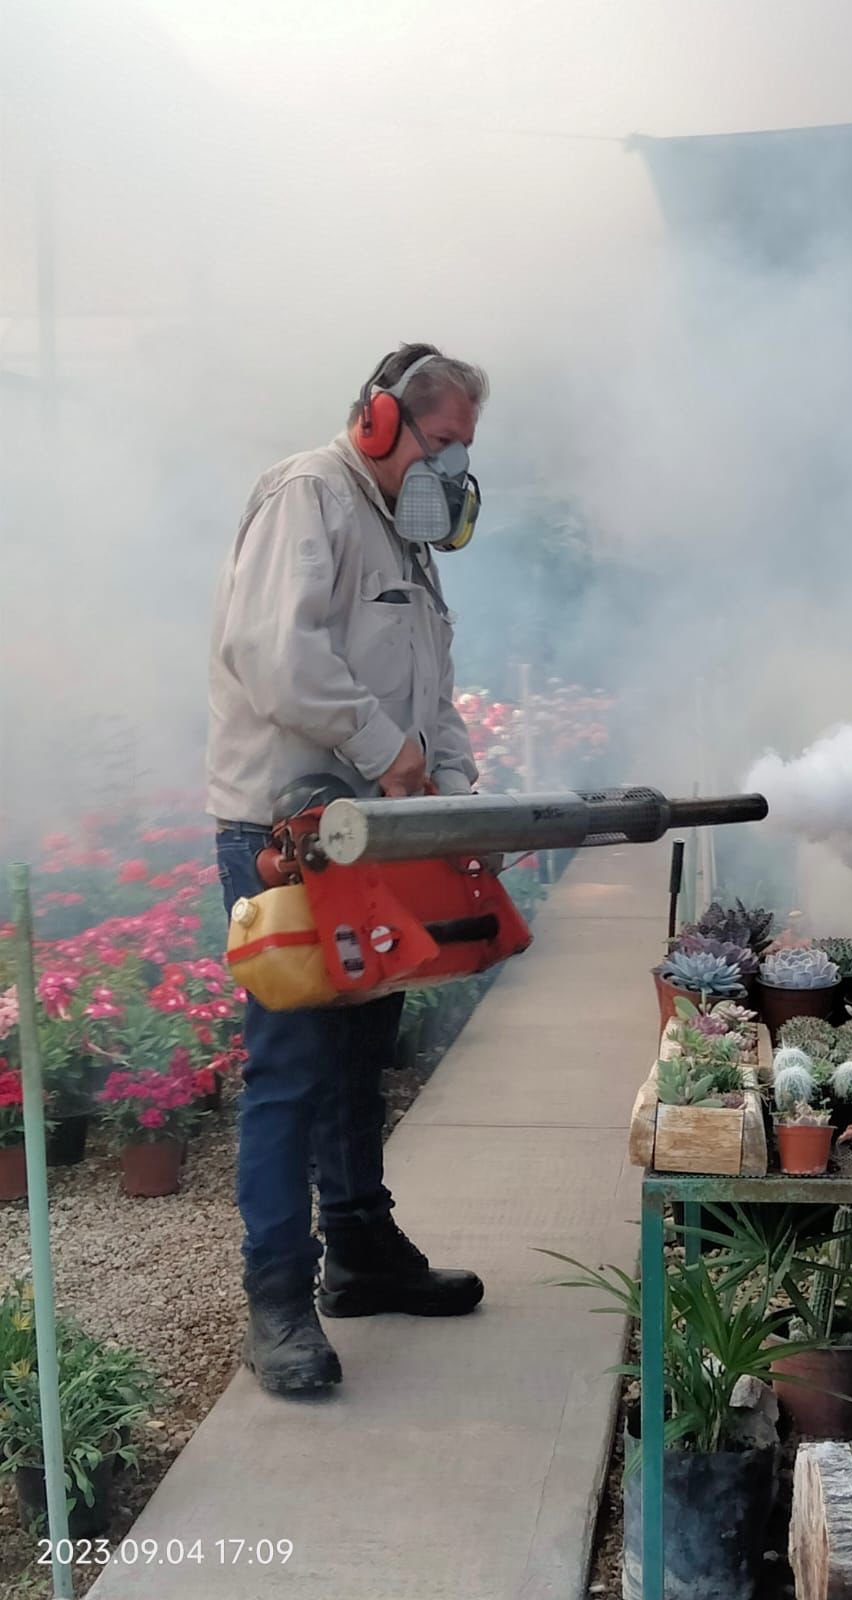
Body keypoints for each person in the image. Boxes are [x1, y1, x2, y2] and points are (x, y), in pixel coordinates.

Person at [206, 344, 488, 1396]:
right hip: (285, 833)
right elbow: (273, 656)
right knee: (290, 1068)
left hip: (372, 833)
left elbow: (434, 697)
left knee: (364, 1050)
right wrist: (385, 749)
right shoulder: (309, 496)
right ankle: (277, 1299)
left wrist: (459, 800)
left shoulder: (406, 541)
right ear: (380, 420)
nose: (452, 466)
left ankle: (361, 1252)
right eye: (442, 440)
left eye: (463, 448)